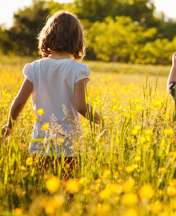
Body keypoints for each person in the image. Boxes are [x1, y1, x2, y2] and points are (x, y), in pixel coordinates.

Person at [1, 11, 101, 177]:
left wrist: (8, 127)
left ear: (47, 36)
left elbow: (18, 103)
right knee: (69, 191)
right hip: (68, 142)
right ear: (77, 40)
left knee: (42, 189)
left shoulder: (36, 67)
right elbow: (80, 106)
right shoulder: (78, 69)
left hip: (40, 140)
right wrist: (100, 121)